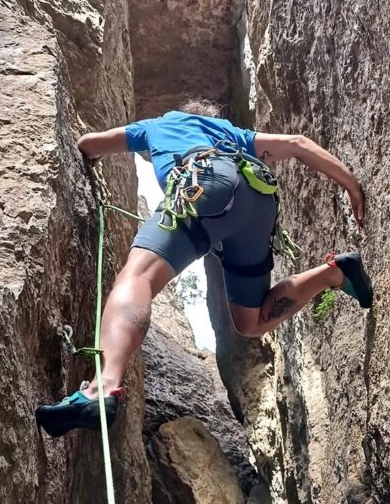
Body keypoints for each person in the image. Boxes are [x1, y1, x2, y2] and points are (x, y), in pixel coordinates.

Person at [35, 100, 372, 437]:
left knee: (138, 276)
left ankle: (102, 388)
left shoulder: (158, 125)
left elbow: (88, 145)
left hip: (203, 183)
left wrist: (100, 153)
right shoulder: (228, 133)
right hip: (257, 200)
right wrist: (351, 184)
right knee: (250, 322)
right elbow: (297, 144)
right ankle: (335, 272)